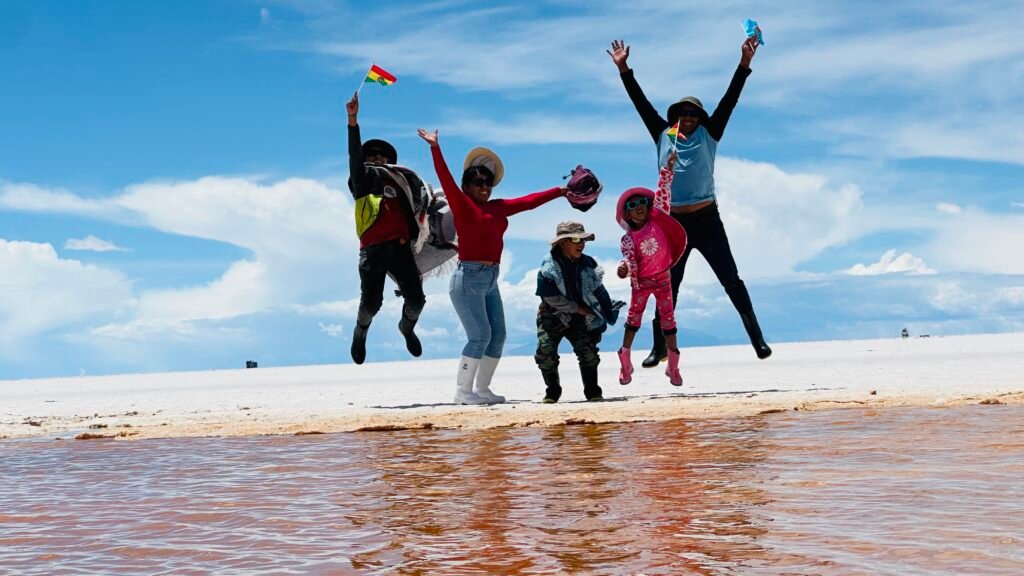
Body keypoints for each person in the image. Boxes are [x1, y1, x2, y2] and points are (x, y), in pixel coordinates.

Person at [607, 37, 772, 366]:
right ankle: (658, 348)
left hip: (707, 220)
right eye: (682, 113)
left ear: (700, 116)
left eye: (693, 112)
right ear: (674, 117)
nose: (687, 117)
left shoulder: (711, 133)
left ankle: (758, 339)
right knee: (667, 285)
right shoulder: (662, 135)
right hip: (672, 226)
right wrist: (624, 69)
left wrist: (744, 63)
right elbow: (641, 104)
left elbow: (730, 99)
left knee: (731, 279)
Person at [417, 128, 569, 405]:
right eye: (477, 183)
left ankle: (482, 389)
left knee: (498, 335)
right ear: (466, 187)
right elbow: (445, 178)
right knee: (479, 335)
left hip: (490, 278)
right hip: (468, 278)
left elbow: (529, 201)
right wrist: (435, 148)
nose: (484, 187)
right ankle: (463, 393)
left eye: (488, 183)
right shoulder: (462, 204)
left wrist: (560, 191)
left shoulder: (498, 207)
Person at [346, 92, 432, 364]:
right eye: (372, 154)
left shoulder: (402, 183)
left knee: (417, 301)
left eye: (383, 154)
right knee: (371, 304)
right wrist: (352, 121)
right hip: (373, 250)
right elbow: (353, 157)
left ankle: (406, 327)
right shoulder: (363, 181)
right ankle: (361, 331)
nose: (378, 157)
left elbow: (421, 210)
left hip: (401, 249)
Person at [616, 154, 688, 386]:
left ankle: (673, 366)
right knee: (633, 319)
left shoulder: (659, 219)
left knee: (668, 320)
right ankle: (625, 361)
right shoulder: (628, 238)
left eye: (642, 204)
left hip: (663, 278)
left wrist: (668, 169)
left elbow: (663, 189)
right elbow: (627, 258)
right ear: (626, 213)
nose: (639, 208)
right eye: (632, 205)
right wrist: (624, 268)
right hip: (642, 283)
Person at [535, 221, 625, 403]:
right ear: (562, 243)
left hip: (581, 318)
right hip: (551, 316)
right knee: (545, 353)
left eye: (583, 239)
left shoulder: (588, 264)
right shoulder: (547, 268)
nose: (581, 244)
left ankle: (593, 392)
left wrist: (597, 321)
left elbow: (598, 293)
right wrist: (577, 308)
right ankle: (552, 392)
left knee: (589, 353)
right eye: (576, 239)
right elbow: (550, 298)